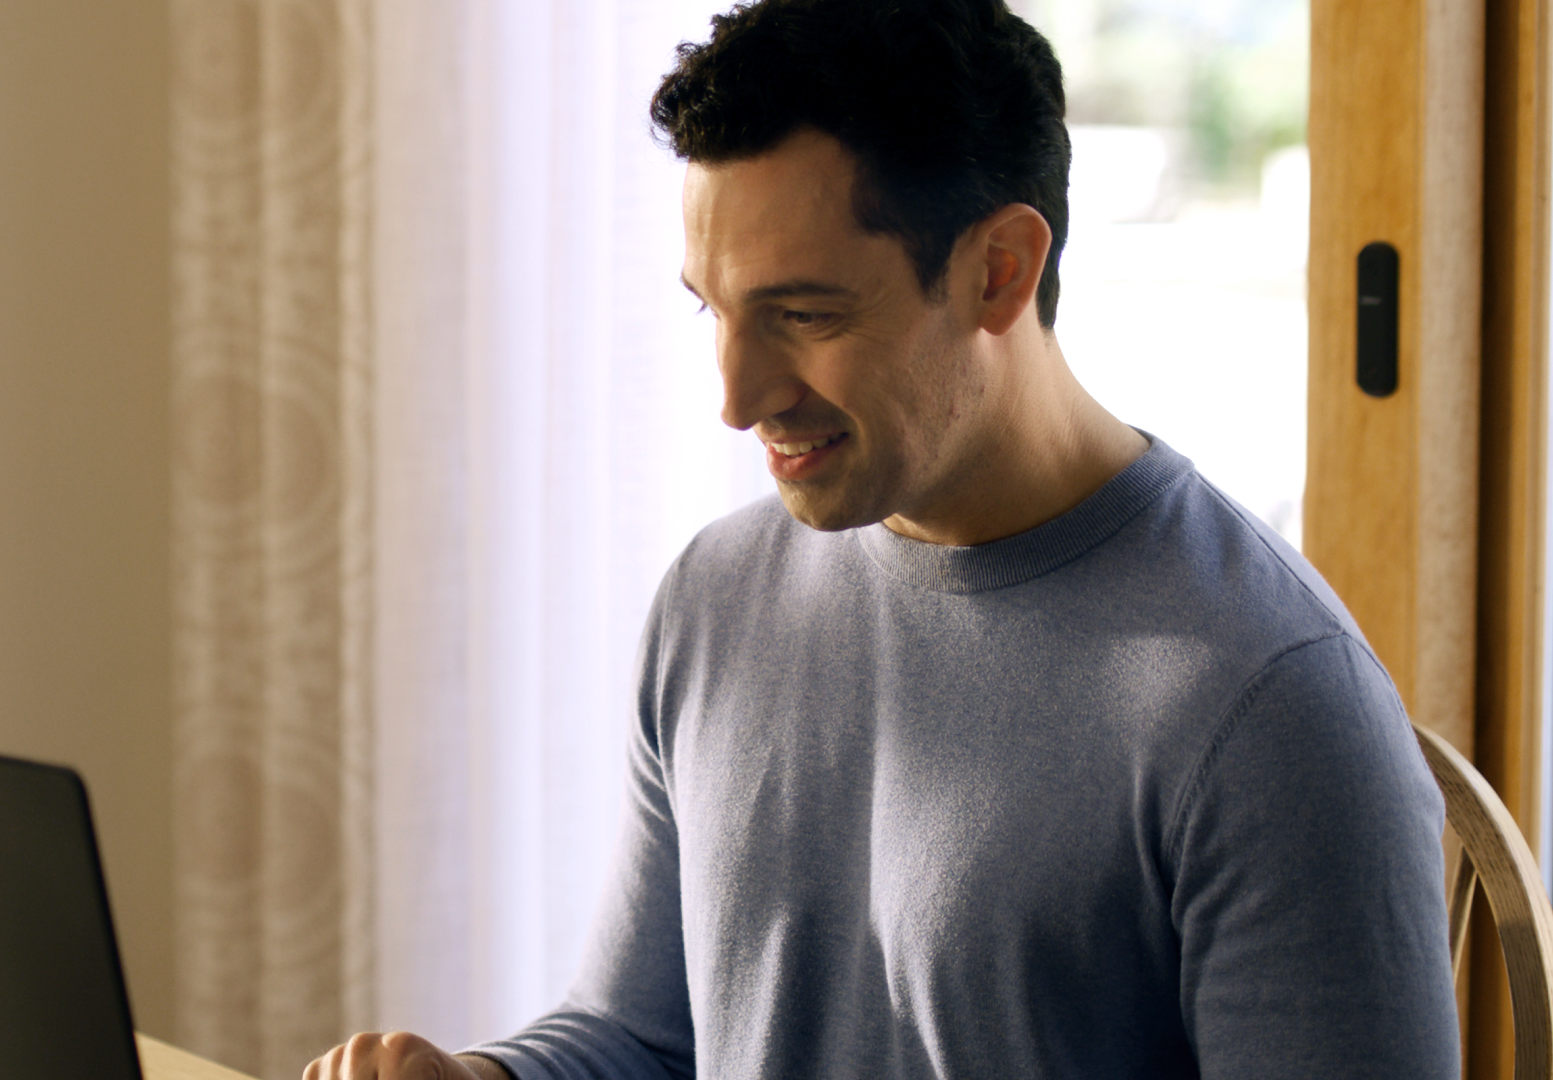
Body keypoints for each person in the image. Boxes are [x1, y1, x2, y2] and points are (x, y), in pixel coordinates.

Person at [307, 1, 1462, 1077]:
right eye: (712, 309)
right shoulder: (716, 600)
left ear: (1000, 271)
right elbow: (643, 1037)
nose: (737, 394)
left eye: (803, 315)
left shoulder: (1267, 712)